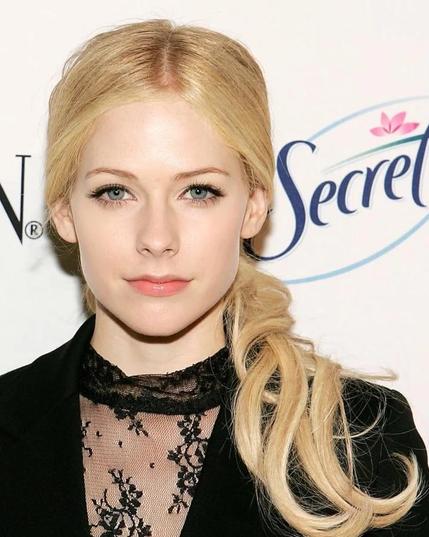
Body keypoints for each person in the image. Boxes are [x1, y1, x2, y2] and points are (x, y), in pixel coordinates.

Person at [0, 18, 428, 537]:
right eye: (115, 192)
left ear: (254, 206)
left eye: (198, 191)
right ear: (65, 211)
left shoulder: (359, 438)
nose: (157, 238)